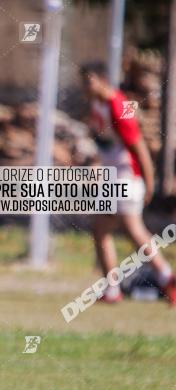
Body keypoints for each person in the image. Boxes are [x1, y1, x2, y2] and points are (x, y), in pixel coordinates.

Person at [80, 62, 176, 304]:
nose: (85, 87)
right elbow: (105, 144)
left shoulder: (117, 105)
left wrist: (149, 180)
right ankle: (113, 289)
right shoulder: (98, 104)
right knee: (103, 229)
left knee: (133, 229)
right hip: (114, 177)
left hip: (127, 177)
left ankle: (166, 277)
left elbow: (138, 146)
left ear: (103, 79)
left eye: (89, 81)